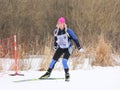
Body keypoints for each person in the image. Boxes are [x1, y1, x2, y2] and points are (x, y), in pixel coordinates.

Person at [39, 17, 84, 81]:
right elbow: (55, 39)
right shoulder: (56, 31)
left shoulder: (68, 31)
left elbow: (75, 39)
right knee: (53, 61)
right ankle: (48, 73)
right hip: (61, 47)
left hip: (68, 48)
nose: (60, 25)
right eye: (58, 23)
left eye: (61, 23)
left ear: (64, 24)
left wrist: (79, 48)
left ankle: (67, 74)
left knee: (64, 61)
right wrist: (55, 46)